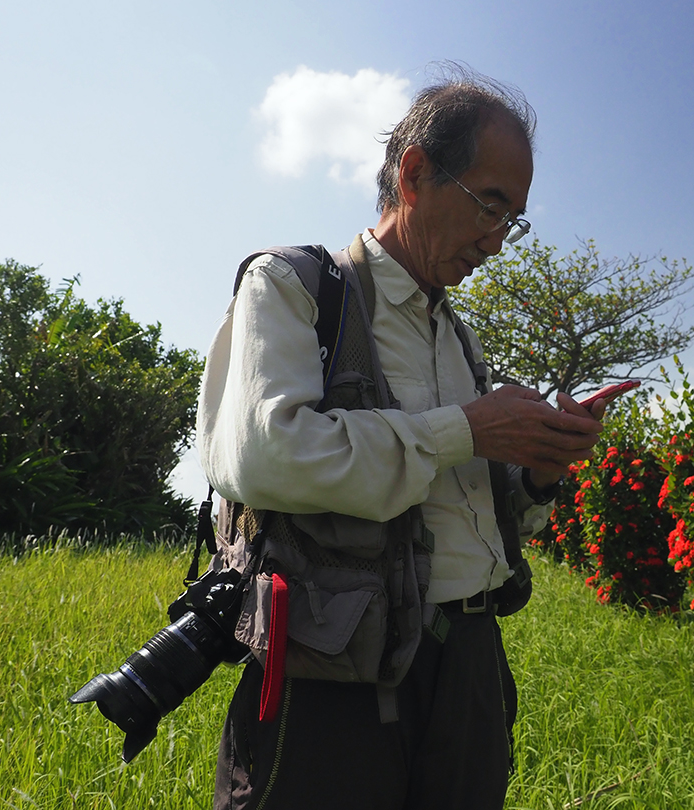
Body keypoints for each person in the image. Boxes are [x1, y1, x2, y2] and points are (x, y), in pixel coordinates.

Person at [197, 68, 606, 809]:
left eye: (514, 218)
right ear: (414, 173)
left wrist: (541, 468)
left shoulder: (460, 339)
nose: (499, 239)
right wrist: (467, 429)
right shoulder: (295, 289)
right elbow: (264, 455)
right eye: (490, 203)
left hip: (472, 667)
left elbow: (476, 503)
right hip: (334, 678)